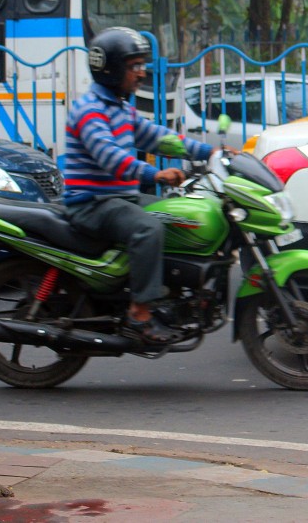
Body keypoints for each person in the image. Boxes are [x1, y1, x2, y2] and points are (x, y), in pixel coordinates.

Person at [63, 27, 214, 344]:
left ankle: (169, 296)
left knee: (178, 216)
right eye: (134, 66)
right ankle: (139, 313)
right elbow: (110, 157)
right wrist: (153, 175)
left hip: (120, 198)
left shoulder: (121, 108)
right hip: (91, 203)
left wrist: (211, 152)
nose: (142, 73)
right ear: (112, 69)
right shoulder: (89, 109)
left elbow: (160, 138)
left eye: (142, 65)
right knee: (148, 228)